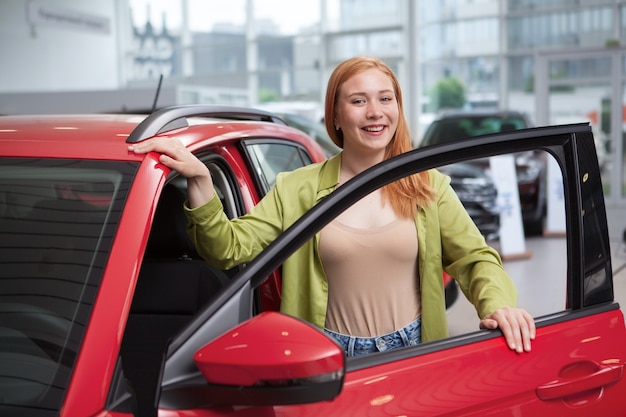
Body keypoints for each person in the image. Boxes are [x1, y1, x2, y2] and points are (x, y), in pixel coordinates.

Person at [129, 56, 536, 357]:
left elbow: (477, 259)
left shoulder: (428, 186)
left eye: (385, 99)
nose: (375, 112)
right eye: (358, 101)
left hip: (414, 349)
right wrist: (201, 181)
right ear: (336, 115)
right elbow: (228, 248)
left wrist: (499, 304)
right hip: (326, 357)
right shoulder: (297, 188)